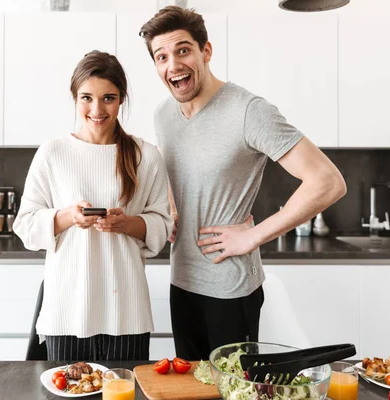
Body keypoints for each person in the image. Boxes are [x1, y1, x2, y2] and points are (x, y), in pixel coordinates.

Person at [139, 7, 347, 360]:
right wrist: (172, 206)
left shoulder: (249, 111)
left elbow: (328, 182)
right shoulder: (163, 116)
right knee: (192, 390)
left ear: (206, 52)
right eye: (162, 56)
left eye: (183, 50)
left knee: (234, 391)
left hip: (231, 288)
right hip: (181, 281)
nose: (173, 64)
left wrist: (252, 236)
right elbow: (180, 171)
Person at [13, 50, 172, 361]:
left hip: (126, 313)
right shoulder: (53, 153)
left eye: (108, 98)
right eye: (86, 97)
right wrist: (67, 217)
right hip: (66, 312)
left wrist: (127, 224)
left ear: (121, 99)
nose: (97, 109)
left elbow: (163, 224)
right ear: (74, 97)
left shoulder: (146, 155)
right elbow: (26, 224)